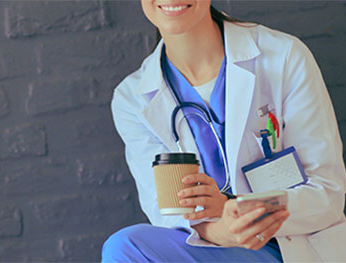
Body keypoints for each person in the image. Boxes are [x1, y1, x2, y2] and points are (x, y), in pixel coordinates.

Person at [102, 0, 346, 262]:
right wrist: (222, 230)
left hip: (293, 246)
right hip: (211, 244)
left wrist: (240, 208)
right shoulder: (132, 98)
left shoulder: (283, 56)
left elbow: (327, 195)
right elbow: (166, 213)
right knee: (124, 247)